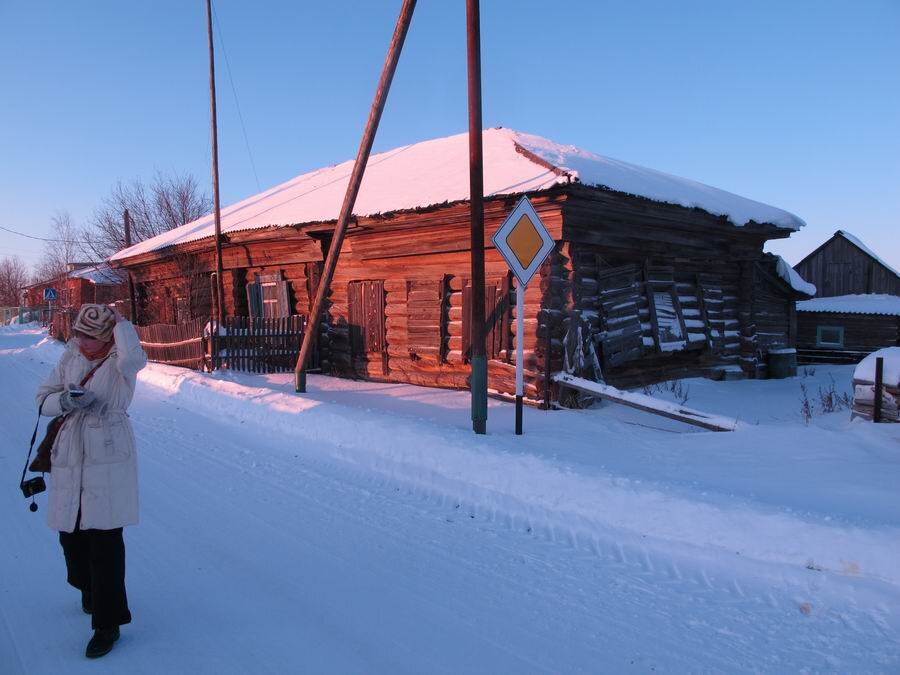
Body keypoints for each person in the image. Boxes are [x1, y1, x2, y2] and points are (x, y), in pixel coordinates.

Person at [35, 304, 147, 659]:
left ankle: (107, 624)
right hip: (70, 449)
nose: (82, 343)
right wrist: (65, 400)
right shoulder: (69, 358)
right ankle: (87, 587)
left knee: (105, 540)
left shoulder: (120, 360)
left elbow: (135, 361)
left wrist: (123, 325)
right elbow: (42, 400)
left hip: (108, 449)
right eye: (80, 335)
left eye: (91, 338)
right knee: (70, 535)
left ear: (107, 339)